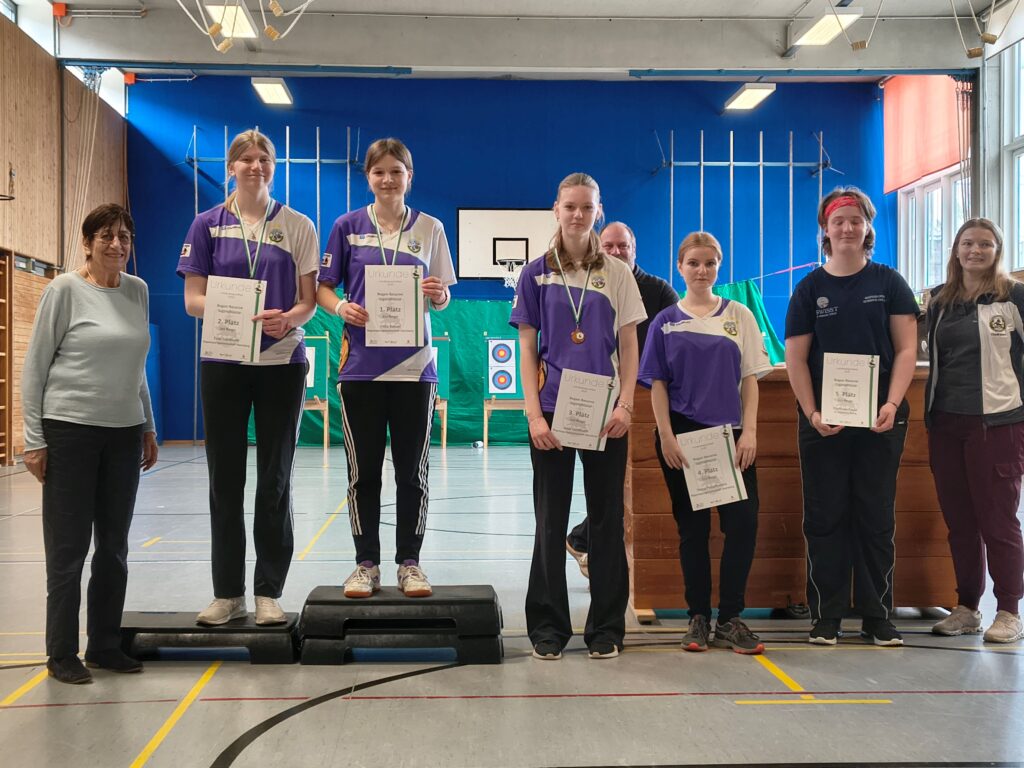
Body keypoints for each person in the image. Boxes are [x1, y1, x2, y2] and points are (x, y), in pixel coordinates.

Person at [179, 129, 319, 626]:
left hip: (281, 362)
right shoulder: (206, 225)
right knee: (225, 479)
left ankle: (268, 593)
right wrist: (233, 311)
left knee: (274, 480)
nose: (255, 166)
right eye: (246, 159)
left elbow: (307, 303)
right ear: (231, 168)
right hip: (223, 363)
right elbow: (192, 300)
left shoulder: (298, 225)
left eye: (264, 159)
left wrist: (288, 319)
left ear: (273, 168)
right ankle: (227, 593)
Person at [510, 172, 646, 660]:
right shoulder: (534, 273)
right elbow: (527, 349)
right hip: (551, 412)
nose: (578, 214)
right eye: (570, 206)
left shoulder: (618, 273)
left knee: (607, 520)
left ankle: (606, 627)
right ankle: (548, 627)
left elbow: (629, 345)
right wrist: (533, 416)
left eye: (587, 207)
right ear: (556, 209)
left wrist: (626, 404)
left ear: (598, 211)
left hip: (606, 413)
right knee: (550, 520)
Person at [23, 203, 158, 684]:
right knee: (69, 549)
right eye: (106, 236)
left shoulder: (138, 291)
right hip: (70, 431)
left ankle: (103, 644)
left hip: (123, 434)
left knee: (114, 547)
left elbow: (136, 369)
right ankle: (61, 652)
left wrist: (147, 427)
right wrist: (34, 439)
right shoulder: (64, 290)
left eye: (124, 236)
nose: (116, 244)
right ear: (87, 243)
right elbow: (35, 366)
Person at [317, 138, 456, 599]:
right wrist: (341, 308)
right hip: (360, 369)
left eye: (396, 171)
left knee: (412, 473)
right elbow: (323, 288)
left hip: (415, 369)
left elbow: (444, 295)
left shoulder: (431, 228)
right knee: (363, 474)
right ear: (368, 177)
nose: (388, 179)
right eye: (379, 172)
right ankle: (366, 565)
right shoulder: (346, 226)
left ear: (409, 177)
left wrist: (439, 295)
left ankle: (410, 564)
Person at [785, 186, 918, 646]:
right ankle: (827, 616)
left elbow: (906, 350)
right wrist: (812, 411)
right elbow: (795, 359)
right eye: (838, 221)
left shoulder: (889, 282)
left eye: (855, 220)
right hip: (824, 423)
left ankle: (878, 615)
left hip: (881, 420)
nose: (847, 228)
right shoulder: (809, 289)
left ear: (867, 228)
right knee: (825, 517)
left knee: (875, 516)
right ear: (825, 229)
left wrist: (892, 403)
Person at [640, 231, 773, 654]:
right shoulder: (664, 321)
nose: (702, 270)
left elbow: (750, 379)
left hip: (732, 437)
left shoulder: (740, 316)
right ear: (680, 267)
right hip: (683, 438)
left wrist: (750, 432)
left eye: (710, 263)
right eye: (694, 263)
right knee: (693, 531)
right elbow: (657, 384)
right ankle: (697, 617)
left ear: (719, 266)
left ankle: (731, 618)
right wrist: (666, 436)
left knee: (743, 525)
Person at [925, 218, 1024, 644]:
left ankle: (1009, 611)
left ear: (998, 250)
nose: (975, 251)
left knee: (998, 521)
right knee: (960, 522)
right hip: (946, 424)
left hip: (997, 424)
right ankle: (967, 607)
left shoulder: (1014, 296)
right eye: (967, 243)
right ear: (956, 249)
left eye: (985, 244)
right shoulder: (939, 300)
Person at [565, 221, 678, 578]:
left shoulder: (658, 290)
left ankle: (587, 544)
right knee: (607, 484)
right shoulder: (587, 285)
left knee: (626, 484)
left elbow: (678, 335)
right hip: (594, 394)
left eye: (622, 246)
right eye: (609, 246)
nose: (616, 252)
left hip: (643, 399)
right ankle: (591, 546)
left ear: (634, 249)